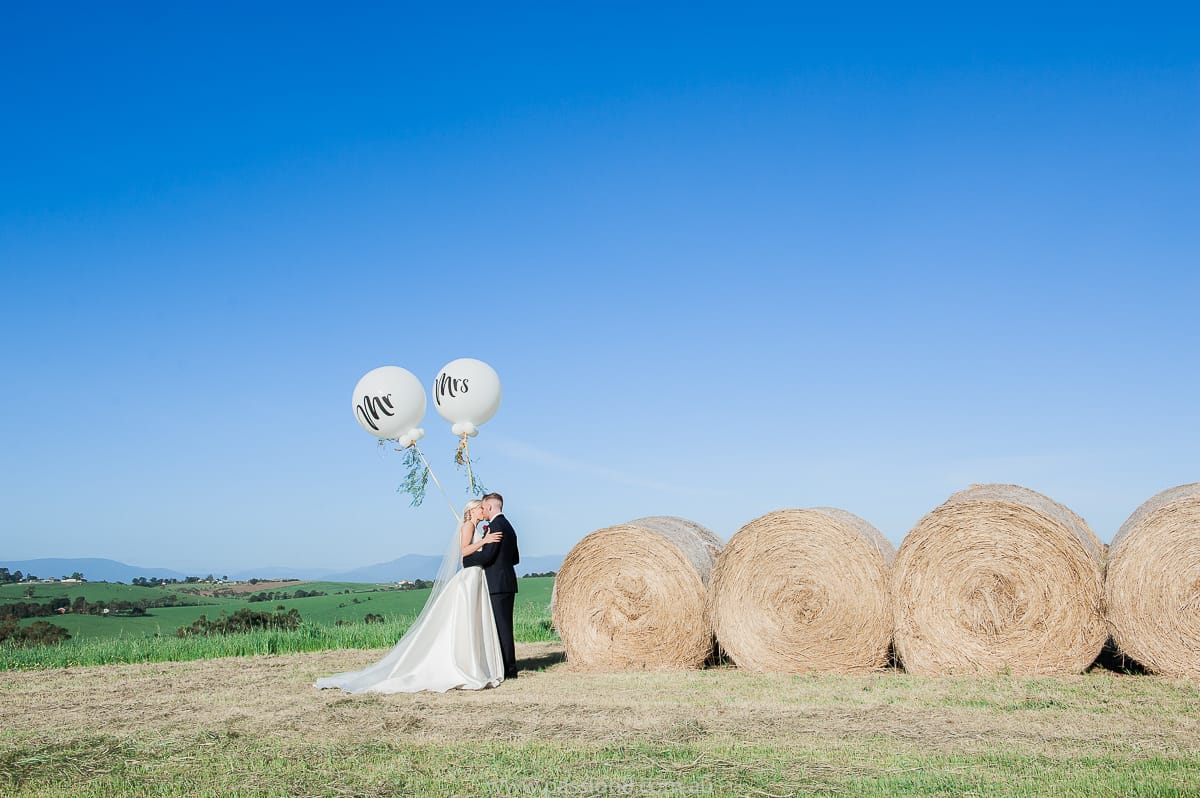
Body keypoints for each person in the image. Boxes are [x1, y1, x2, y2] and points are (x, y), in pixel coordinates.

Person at [313, 499, 505, 693]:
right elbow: (464, 551)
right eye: (480, 507)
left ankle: (475, 662)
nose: (483, 511)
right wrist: (485, 541)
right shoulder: (468, 526)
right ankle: (464, 664)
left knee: (472, 621)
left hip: (476, 577)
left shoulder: (476, 527)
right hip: (468, 579)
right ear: (472, 510)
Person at [462, 492, 520, 679]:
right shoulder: (508, 525)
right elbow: (515, 558)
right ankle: (503, 666)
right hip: (506, 581)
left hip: (497, 583)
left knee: (501, 627)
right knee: (502, 626)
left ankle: (508, 670)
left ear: (489, 507)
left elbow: (487, 556)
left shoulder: (495, 526)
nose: (483, 510)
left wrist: (468, 561)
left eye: (484, 507)